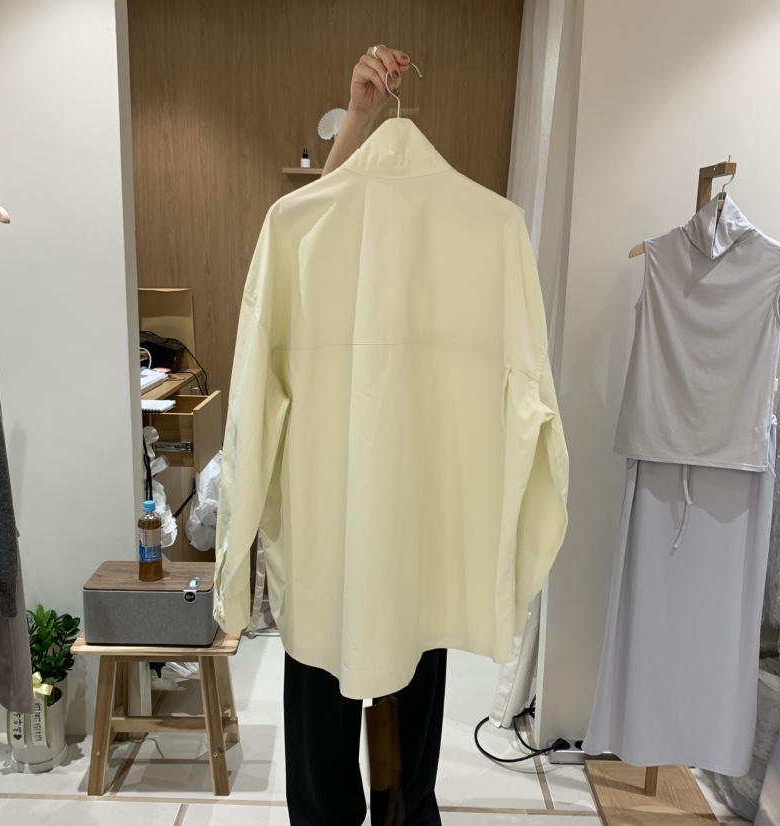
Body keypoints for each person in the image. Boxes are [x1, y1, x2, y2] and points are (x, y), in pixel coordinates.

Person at [283, 45, 448, 826]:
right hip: (327, 520)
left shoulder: (449, 261)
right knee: (320, 726)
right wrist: (358, 116)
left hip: (414, 524)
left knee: (410, 751)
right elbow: (313, 226)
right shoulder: (315, 263)